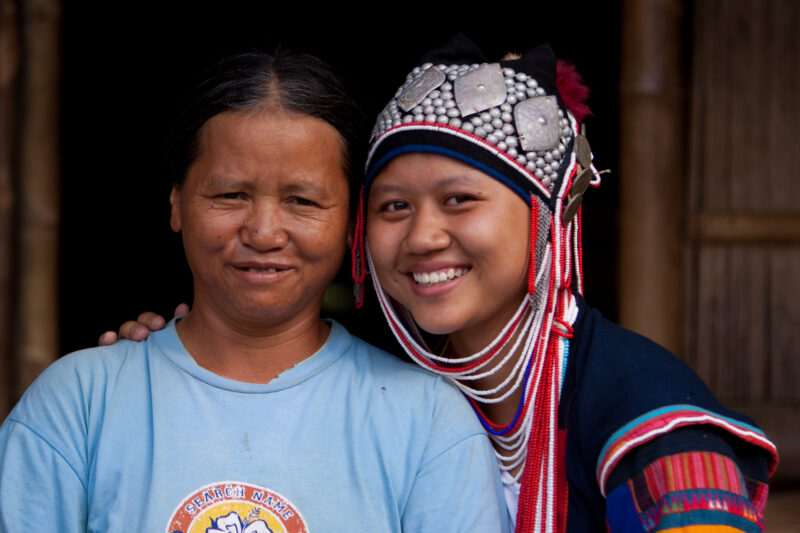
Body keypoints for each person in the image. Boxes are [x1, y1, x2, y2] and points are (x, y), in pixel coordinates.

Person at [100, 36, 780, 532]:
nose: (422, 236)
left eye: (459, 200)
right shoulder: (396, 383)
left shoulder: (647, 410)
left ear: (544, 220)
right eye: (395, 206)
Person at [0, 49, 509, 532]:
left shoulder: (425, 422)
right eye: (230, 195)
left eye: (303, 201)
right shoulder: (79, 403)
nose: (264, 233)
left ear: (353, 221)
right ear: (176, 202)